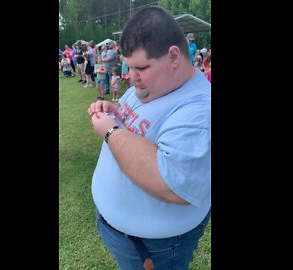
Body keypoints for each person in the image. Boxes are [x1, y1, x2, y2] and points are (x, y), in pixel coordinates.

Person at [87, 6, 210, 270]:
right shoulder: (154, 85)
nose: (132, 78)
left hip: (154, 249)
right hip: (130, 238)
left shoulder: (202, 111)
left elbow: (171, 182)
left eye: (141, 67)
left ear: (174, 56)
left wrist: (110, 131)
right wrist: (116, 112)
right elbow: (140, 118)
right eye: (129, 67)